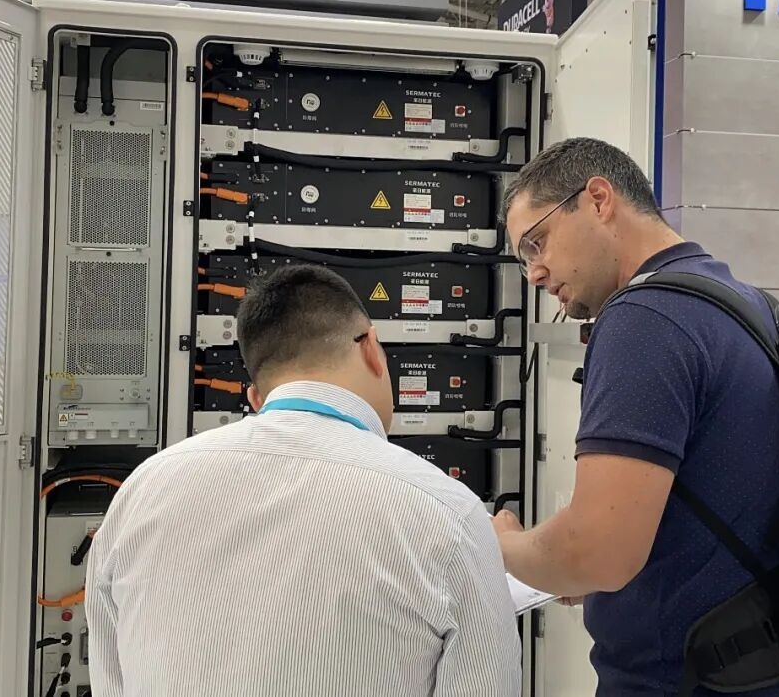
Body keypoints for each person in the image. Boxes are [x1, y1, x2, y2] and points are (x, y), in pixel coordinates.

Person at [85, 264, 521, 696]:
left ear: (256, 398)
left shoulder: (141, 492)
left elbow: (111, 679)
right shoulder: (450, 514)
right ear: (372, 348)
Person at [495, 137, 779, 695]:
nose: (534, 273)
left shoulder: (644, 319)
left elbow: (599, 553)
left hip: (677, 680)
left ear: (598, 199)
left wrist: (502, 546)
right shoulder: (742, 301)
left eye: (536, 242)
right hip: (748, 660)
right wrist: (572, 564)